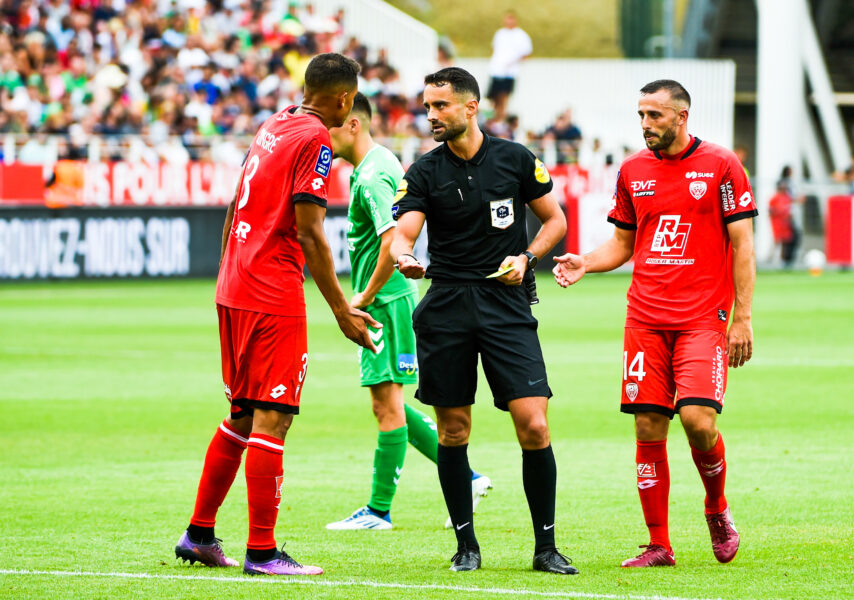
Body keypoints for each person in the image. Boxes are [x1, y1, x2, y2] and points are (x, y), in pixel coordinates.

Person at [174, 53, 379, 577]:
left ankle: (199, 534)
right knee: (274, 415)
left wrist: (226, 270)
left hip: (236, 282)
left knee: (242, 412)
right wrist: (341, 309)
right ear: (345, 98)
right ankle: (263, 552)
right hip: (271, 289)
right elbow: (310, 230)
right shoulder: (315, 139)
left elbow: (234, 203)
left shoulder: (276, 121)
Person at [553, 79, 756, 568]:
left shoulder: (721, 165)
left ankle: (716, 507)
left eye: (655, 116)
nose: (645, 124)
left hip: (704, 319)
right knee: (648, 423)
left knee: (697, 421)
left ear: (681, 117)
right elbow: (623, 244)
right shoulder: (632, 171)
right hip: (645, 318)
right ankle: (659, 544)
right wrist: (586, 262)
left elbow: (743, 245)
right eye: (641, 115)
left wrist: (742, 317)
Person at [391, 67, 577, 575]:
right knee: (454, 430)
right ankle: (465, 546)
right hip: (447, 303)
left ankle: (546, 548)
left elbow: (555, 220)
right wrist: (405, 255)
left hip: (505, 304)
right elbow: (403, 233)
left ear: (470, 108)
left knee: (534, 425)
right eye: (427, 106)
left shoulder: (515, 159)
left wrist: (527, 257)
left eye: (440, 106)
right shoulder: (424, 171)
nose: (431, 114)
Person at [324, 92, 492, 531]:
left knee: (385, 403)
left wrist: (364, 296)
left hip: (386, 300)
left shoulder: (374, 175)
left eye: (331, 126)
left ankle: (379, 511)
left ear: (354, 124)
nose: (325, 136)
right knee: (392, 399)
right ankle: (468, 477)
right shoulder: (373, 167)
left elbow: (391, 239)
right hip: (392, 298)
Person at [486, 11, 532, 120]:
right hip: (496, 71)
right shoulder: (500, 34)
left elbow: (526, 53)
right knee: (493, 98)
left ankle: (501, 118)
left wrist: (512, 62)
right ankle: (494, 119)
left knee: (504, 97)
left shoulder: (521, 35)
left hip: (509, 73)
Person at [768, 174, 800, 268]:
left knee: (786, 242)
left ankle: (783, 261)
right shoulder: (774, 198)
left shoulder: (786, 197)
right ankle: (771, 260)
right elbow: (770, 211)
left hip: (786, 223)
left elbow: (791, 204)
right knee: (777, 242)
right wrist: (779, 211)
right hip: (778, 223)